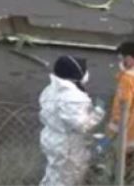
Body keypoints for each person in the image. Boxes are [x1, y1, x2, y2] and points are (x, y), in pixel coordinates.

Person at [38, 55, 105, 186]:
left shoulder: (52, 88)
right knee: (67, 177)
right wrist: (98, 113)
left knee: (54, 173)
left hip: (52, 137)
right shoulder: (73, 97)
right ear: (75, 73)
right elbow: (81, 125)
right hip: (67, 145)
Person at [108, 42, 134, 153]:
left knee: (120, 163)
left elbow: (121, 108)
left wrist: (111, 132)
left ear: (129, 59)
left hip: (128, 134)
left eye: (122, 58)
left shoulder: (127, 80)